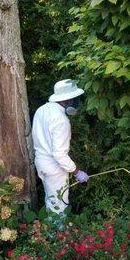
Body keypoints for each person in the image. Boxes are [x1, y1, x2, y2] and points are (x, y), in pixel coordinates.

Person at [32, 79, 89, 226]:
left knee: (51, 201)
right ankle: (57, 243)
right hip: (55, 169)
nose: (76, 102)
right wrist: (77, 172)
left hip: (42, 163)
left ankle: (52, 237)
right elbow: (59, 154)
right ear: (68, 100)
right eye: (75, 99)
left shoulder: (42, 110)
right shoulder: (61, 120)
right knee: (59, 208)